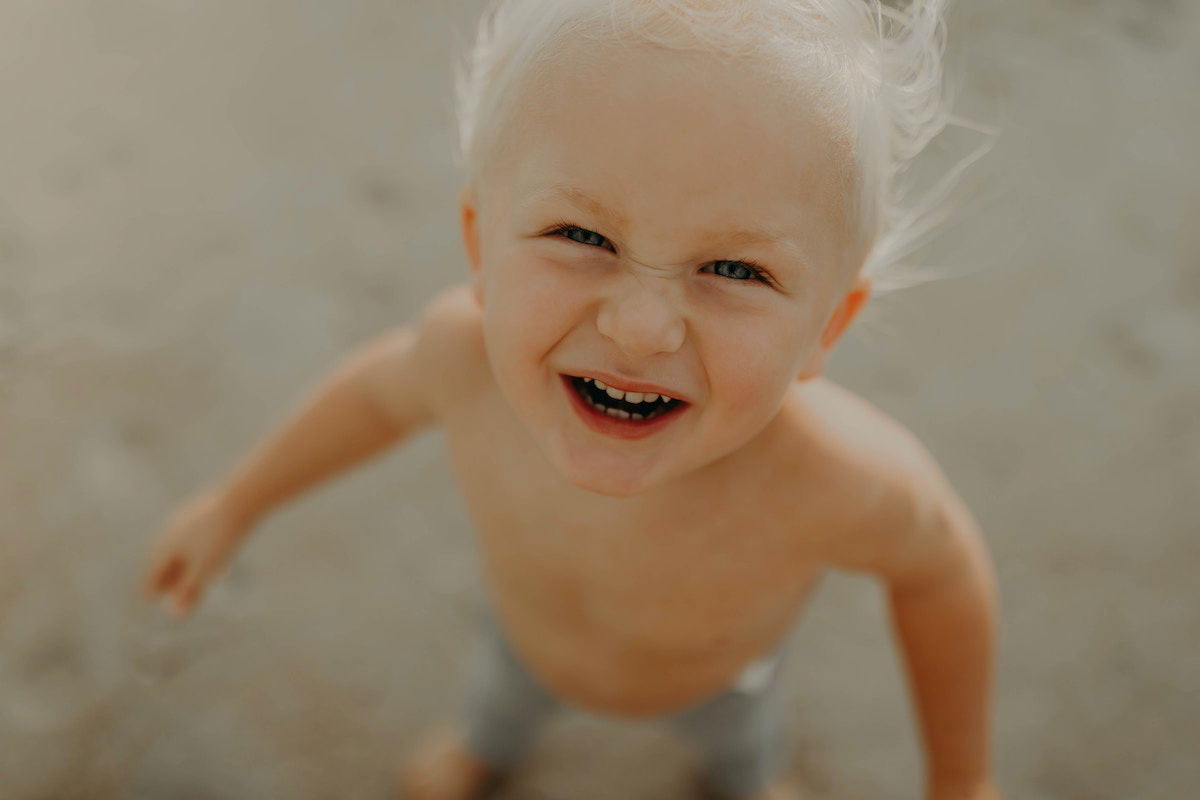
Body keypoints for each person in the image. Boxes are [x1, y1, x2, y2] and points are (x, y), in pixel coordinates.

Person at [142, 1, 1001, 798]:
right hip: (528, 648)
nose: (639, 329)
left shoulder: (840, 476)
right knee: (496, 706)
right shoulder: (460, 358)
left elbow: (943, 574)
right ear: (481, 245)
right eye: (581, 236)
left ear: (828, 325)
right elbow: (373, 398)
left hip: (725, 681)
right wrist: (237, 501)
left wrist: (960, 782)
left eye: (736, 270)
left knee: (743, 751)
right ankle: (487, 748)